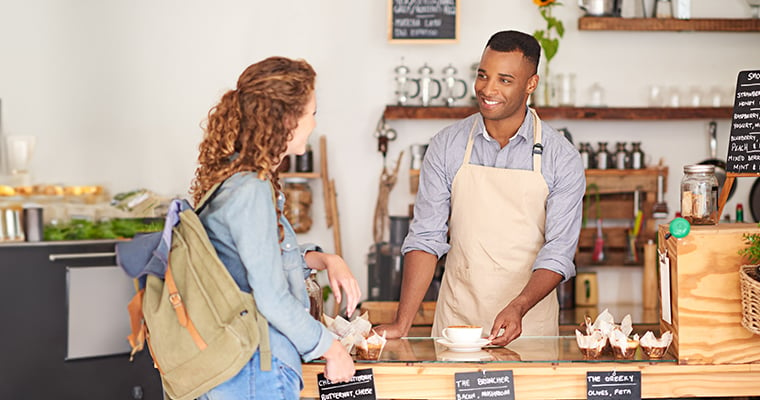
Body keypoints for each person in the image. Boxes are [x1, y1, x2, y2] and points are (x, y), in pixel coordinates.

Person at [377, 30, 585, 346]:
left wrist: (518, 306)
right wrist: (402, 322)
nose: (487, 89)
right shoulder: (447, 145)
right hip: (457, 326)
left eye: (504, 80)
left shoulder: (562, 157)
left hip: (528, 326)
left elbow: (558, 252)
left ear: (531, 84)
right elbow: (426, 238)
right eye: (482, 75)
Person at [190, 56, 360, 399]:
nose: (314, 124)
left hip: (237, 369)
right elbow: (270, 296)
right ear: (286, 120)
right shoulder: (251, 189)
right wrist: (331, 348)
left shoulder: (236, 181)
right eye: (312, 112)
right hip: (255, 371)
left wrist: (326, 259)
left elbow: (262, 260)